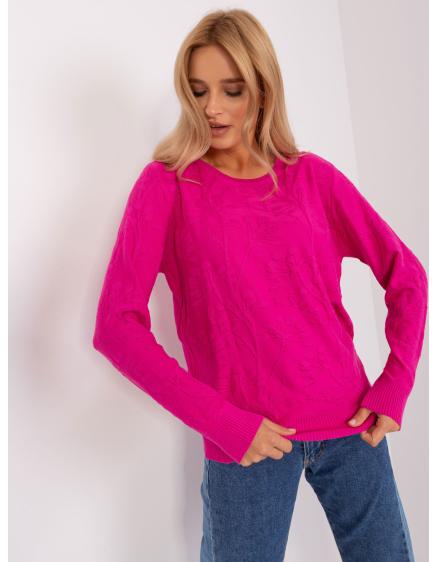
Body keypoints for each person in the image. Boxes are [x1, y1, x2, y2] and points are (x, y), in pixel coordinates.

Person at [92, 8, 427, 562]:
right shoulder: (167, 186)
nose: (212, 108)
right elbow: (115, 327)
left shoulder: (312, 177)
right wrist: (223, 422)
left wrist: (395, 384)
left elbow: (407, 275)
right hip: (247, 443)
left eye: (232, 90)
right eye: (198, 90)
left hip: (351, 426)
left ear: (264, 89)